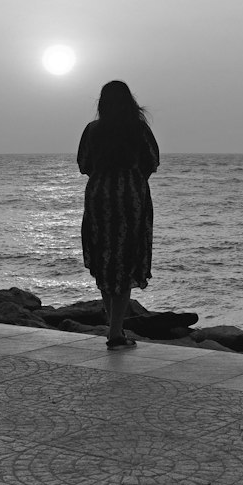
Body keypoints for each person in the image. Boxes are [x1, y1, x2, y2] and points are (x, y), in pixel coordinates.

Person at [77, 80, 159, 349]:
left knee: (105, 260)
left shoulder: (93, 130)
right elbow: (152, 161)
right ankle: (115, 332)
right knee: (125, 258)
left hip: (100, 197)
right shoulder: (138, 130)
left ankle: (115, 329)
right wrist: (131, 179)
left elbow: (84, 164)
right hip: (131, 198)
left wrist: (105, 177)